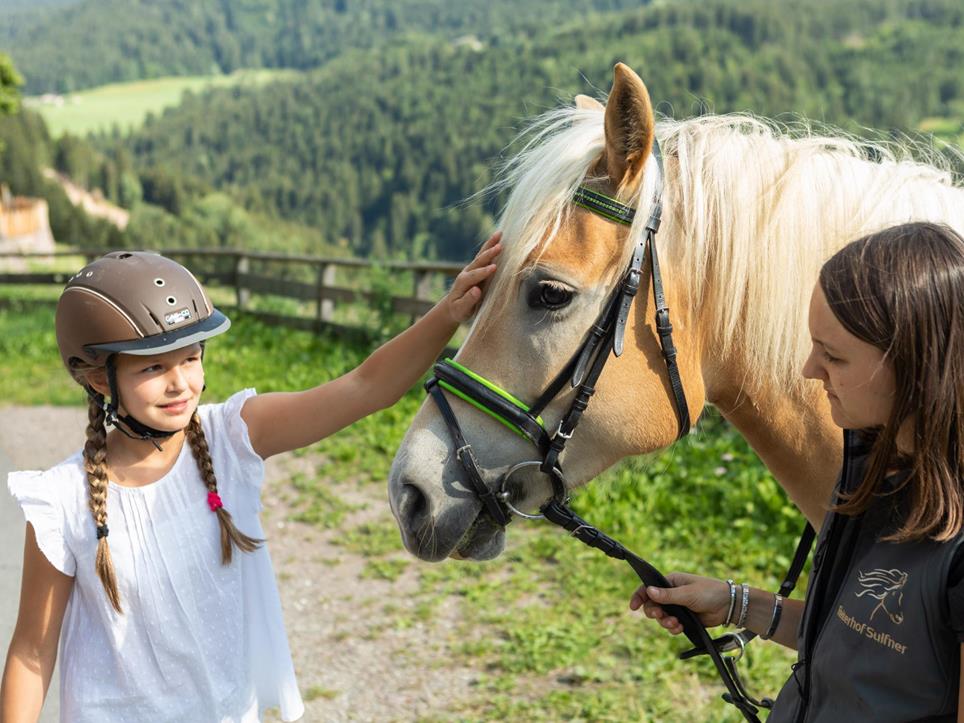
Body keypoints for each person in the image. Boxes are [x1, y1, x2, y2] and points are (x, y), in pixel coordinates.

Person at [0, 233, 501, 723]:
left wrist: (449, 312)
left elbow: (365, 388)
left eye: (191, 357)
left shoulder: (231, 438)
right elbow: (31, 652)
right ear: (96, 378)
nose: (181, 383)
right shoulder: (63, 500)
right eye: (152, 366)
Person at [630, 222, 964, 721]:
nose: (810, 370)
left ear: (916, 366)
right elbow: (855, 638)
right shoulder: (876, 464)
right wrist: (736, 604)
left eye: (833, 356)